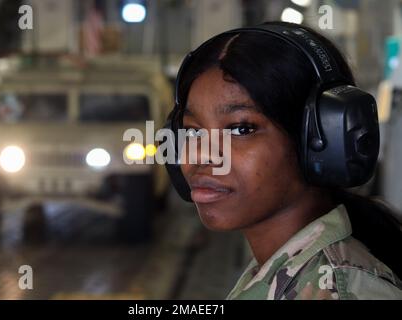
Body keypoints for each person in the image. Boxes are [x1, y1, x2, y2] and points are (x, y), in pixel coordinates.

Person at [163, 21, 402, 300]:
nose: (200, 154)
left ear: (322, 141)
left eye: (241, 129)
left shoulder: (339, 291)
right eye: (193, 131)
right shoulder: (283, 272)